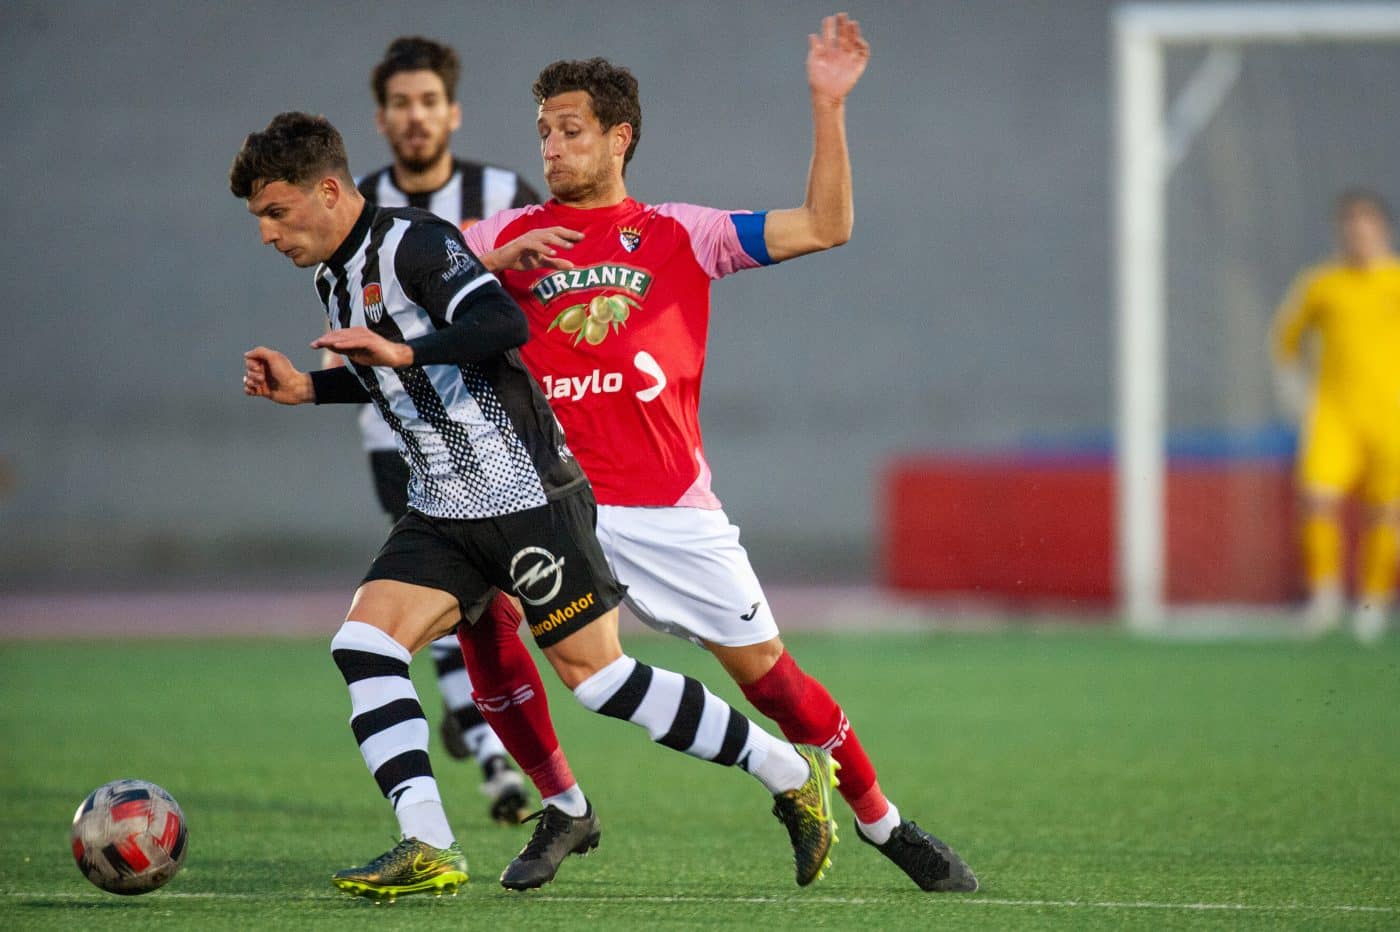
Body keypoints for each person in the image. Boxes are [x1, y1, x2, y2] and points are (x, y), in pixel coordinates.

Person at [231, 111, 839, 899]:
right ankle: (429, 842)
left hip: (525, 492)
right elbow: (396, 372)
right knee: (363, 646)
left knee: (600, 682)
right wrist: (309, 389)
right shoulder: (333, 277)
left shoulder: (416, 243)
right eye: (259, 218)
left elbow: (500, 322)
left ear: (326, 191)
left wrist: (403, 350)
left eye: (276, 212)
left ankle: (786, 770)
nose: (267, 233)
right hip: (441, 508)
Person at [461, 14, 977, 893]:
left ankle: (882, 822)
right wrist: (491, 256)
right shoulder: (506, 235)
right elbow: (402, 279)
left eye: (571, 130)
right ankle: (562, 802)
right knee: (479, 613)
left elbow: (826, 225)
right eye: (543, 130)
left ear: (619, 137)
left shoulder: (681, 232)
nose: (551, 146)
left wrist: (827, 105)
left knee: (771, 682)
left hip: (666, 508)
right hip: (550, 501)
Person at [339, 35, 546, 826]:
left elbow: (532, 301)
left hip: (491, 430)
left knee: (491, 600)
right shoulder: (354, 202)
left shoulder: (502, 193)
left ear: (453, 112)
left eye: (429, 102)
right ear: (382, 119)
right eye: (401, 104)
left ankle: (470, 712)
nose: (416, 117)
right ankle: (493, 759)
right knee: (448, 584)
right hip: (399, 436)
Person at [1272, 189, 1400, 644]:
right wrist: (1291, 386)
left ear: (1382, 230)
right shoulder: (1322, 284)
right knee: (1317, 498)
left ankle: (1372, 604)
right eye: (1351, 228)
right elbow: (1286, 337)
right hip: (1335, 413)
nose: (1358, 236)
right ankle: (1324, 599)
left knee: (1387, 511)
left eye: (1366, 227)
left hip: (1391, 415)